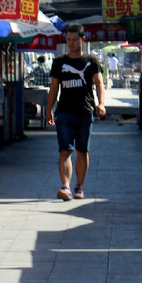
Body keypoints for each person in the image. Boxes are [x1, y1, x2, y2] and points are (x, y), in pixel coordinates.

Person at [46, 24, 105, 201]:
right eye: (69, 40)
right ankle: (65, 186)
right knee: (65, 150)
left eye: (74, 40)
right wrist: (49, 110)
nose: (71, 43)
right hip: (64, 112)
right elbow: (54, 87)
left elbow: (99, 83)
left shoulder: (91, 61)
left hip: (85, 112)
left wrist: (101, 104)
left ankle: (79, 186)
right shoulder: (59, 62)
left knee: (82, 151)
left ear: (82, 40)